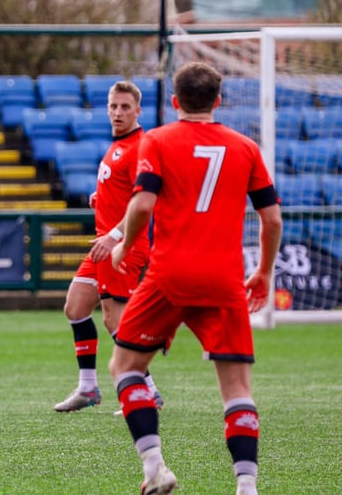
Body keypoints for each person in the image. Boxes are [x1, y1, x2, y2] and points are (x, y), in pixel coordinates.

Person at [109, 62, 282, 495]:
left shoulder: (159, 139)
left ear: (174, 102)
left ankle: (155, 469)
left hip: (169, 276)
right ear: (218, 101)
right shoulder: (245, 147)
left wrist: (125, 246)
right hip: (224, 279)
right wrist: (262, 271)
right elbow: (273, 218)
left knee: (125, 366)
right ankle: (247, 486)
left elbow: (143, 205)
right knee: (237, 388)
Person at [54, 81, 162, 413]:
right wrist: (101, 199)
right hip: (104, 244)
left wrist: (115, 236)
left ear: (138, 111)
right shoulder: (119, 145)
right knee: (75, 307)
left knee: (116, 321)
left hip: (122, 247)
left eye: (125, 107)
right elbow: (126, 192)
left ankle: (149, 391)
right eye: (113, 106)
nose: (118, 112)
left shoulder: (141, 146)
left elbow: (147, 202)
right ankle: (88, 389)